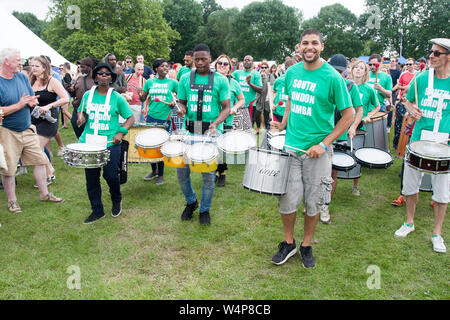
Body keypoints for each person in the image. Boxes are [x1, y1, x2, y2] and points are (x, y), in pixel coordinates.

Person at [269, 29, 354, 268]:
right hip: (291, 148)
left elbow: (348, 115)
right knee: (287, 200)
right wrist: (283, 123)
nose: (309, 47)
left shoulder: (332, 77)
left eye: (314, 43)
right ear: (299, 47)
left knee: (314, 202)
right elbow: (291, 102)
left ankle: (306, 245)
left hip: (318, 152)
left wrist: (324, 144)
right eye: (305, 43)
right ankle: (288, 243)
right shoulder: (292, 73)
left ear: (322, 46)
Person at [394, 38, 450, 254]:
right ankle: (409, 222)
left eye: (437, 53)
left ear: (448, 57)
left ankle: (437, 234)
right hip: (418, 140)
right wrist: (411, 108)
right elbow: (405, 98)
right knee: (410, 187)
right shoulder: (421, 78)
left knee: (442, 194)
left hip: (443, 144)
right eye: (431, 52)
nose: (431, 56)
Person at [0, 48, 64, 214]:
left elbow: (29, 97)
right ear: (6, 62)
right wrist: (20, 104)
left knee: (40, 160)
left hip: (28, 127)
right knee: (9, 168)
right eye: (18, 60)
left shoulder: (22, 77)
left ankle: (44, 194)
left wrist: (32, 102)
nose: (22, 63)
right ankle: (12, 201)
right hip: (7, 131)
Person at [176, 43, 230, 226]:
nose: (199, 62)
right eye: (196, 59)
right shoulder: (185, 78)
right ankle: (191, 202)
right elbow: (182, 102)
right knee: (182, 172)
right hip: (189, 131)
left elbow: (226, 107)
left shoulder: (221, 80)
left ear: (210, 58)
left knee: (208, 175)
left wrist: (216, 123)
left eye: (203, 59)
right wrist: (181, 109)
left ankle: (205, 210)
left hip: (210, 133)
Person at [76, 62, 135, 224]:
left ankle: (116, 199)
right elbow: (81, 112)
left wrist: (120, 133)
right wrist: (81, 118)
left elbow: (130, 118)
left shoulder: (116, 97)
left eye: (107, 74)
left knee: (110, 175)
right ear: (95, 77)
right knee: (92, 178)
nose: (103, 76)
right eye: (100, 74)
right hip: (90, 143)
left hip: (110, 143)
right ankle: (97, 210)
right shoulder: (88, 95)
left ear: (111, 77)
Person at [321, 54, 364, 225]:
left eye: (340, 71)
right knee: (317, 171)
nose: (337, 73)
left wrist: (353, 126)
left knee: (332, 172)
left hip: (339, 133)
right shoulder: (324, 81)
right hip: (321, 132)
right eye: (334, 70)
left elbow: (358, 110)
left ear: (346, 70)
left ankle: (325, 205)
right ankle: (314, 202)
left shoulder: (351, 86)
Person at [29, 56, 70, 184]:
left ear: (44, 68)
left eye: (36, 66)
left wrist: (49, 106)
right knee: (37, 148)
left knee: (36, 147)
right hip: (34, 118)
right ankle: (49, 172)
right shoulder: (30, 81)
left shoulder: (52, 81)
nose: (33, 68)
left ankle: (45, 176)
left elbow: (65, 98)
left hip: (49, 119)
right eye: (32, 66)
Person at [140, 58, 178, 185]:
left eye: (167, 66)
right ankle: (154, 170)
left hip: (164, 118)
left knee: (161, 146)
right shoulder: (150, 82)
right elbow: (144, 97)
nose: (165, 68)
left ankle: (161, 174)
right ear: (156, 68)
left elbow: (181, 98)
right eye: (162, 66)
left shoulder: (172, 83)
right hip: (151, 117)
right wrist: (140, 95)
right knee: (151, 145)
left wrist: (174, 102)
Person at [214, 54, 245, 187]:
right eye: (220, 63)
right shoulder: (211, 80)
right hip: (212, 120)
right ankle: (213, 172)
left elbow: (242, 99)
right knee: (212, 146)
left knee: (221, 148)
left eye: (225, 64)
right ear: (215, 66)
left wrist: (234, 108)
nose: (222, 65)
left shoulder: (234, 83)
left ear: (230, 68)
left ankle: (222, 174)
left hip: (227, 120)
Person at [392, 58, 418, 151]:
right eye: (407, 64)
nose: (408, 66)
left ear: (414, 65)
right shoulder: (403, 74)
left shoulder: (417, 75)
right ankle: (396, 144)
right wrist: (404, 88)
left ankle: (406, 145)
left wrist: (409, 88)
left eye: (410, 64)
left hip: (412, 103)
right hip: (402, 101)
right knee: (398, 125)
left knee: (408, 125)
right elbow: (398, 85)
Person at [67, 57, 96, 139]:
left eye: (82, 67)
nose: (80, 69)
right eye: (80, 67)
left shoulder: (96, 80)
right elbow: (74, 93)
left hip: (89, 111)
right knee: (75, 124)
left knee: (87, 131)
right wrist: (71, 90)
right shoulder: (79, 78)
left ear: (90, 67)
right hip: (77, 108)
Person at [232, 55, 262, 131]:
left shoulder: (256, 74)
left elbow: (260, 90)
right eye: (245, 60)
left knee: (248, 128)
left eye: (249, 60)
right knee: (235, 127)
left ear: (252, 62)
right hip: (237, 105)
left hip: (250, 106)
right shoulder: (237, 73)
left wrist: (249, 83)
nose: (246, 61)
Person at [272, 58, 296, 123]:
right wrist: (272, 104)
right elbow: (273, 92)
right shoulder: (279, 80)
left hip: (292, 116)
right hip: (278, 114)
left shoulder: (299, 82)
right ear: (285, 69)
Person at [254, 61, 275, 134]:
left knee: (266, 114)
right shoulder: (259, 75)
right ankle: (258, 128)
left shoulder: (270, 76)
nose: (263, 69)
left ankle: (266, 128)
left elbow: (272, 87)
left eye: (265, 67)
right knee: (257, 113)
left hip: (267, 97)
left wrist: (268, 97)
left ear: (268, 68)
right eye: (262, 67)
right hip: (259, 97)